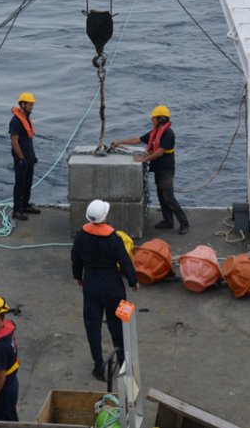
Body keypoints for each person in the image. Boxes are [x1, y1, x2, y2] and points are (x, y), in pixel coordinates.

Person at [71, 199, 139, 381]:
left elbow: (75, 260)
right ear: (105, 217)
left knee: (92, 326)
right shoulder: (113, 239)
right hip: (113, 286)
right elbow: (125, 261)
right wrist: (133, 281)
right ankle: (123, 361)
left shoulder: (81, 236)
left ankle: (99, 365)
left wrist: (79, 277)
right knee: (117, 325)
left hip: (91, 285)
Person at [110, 105, 190, 234]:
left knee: (169, 197)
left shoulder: (168, 133)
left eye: (153, 118)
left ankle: (184, 223)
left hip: (166, 170)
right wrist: (120, 142)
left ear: (160, 119)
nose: (151, 120)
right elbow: (138, 139)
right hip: (159, 169)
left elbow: (159, 152)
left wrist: (143, 160)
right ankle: (168, 221)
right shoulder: (156, 132)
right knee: (161, 196)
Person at [9, 92, 40, 221]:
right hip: (21, 158)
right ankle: (17, 210)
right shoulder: (15, 121)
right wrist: (21, 158)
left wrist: (32, 156)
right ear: (22, 104)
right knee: (20, 184)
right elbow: (14, 141)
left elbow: (28, 140)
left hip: (29, 156)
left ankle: (25, 205)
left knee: (28, 183)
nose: (32, 107)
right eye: (30, 105)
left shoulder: (26, 118)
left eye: (32, 105)